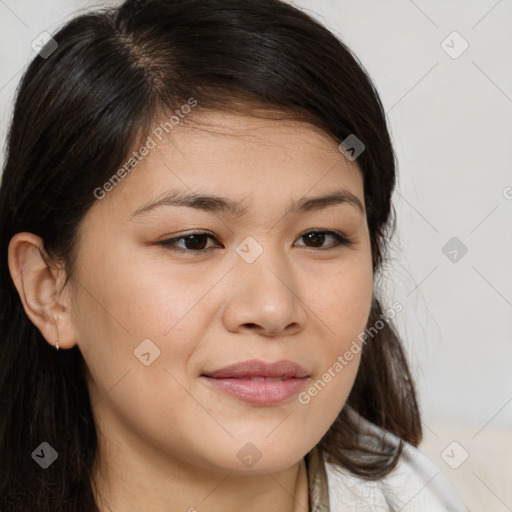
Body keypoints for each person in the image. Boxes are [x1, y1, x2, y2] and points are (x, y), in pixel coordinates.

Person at [0, 0, 469, 510]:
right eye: (194, 240)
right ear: (48, 290)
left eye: (318, 238)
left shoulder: (419, 496)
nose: (272, 308)